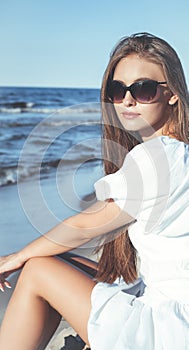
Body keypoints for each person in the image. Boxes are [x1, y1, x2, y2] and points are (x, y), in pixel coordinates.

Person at [0, 32, 189, 350]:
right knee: (62, 261)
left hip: (168, 328)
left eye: (142, 89)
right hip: (175, 311)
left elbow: (88, 224)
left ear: (171, 94)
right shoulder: (179, 152)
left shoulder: (155, 155)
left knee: (37, 269)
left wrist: (17, 256)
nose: (128, 100)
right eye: (118, 90)